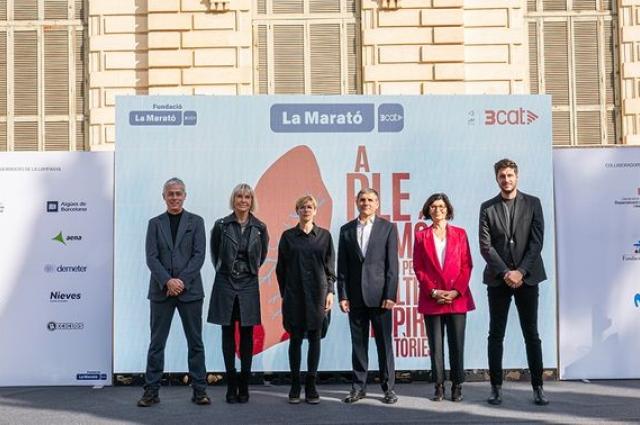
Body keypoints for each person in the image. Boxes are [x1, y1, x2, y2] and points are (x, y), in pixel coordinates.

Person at [479, 159, 549, 406]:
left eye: (510, 175)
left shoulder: (533, 203)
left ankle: (538, 387)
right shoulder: (487, 208)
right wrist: (506, 273)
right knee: (495, 334)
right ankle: (496, 388)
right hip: (498, 280)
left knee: (532, 333)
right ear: (496, 178)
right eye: (502, 176)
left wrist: (520, 271)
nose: (506, 179)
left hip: (528, 278)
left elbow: (536, 242)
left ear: (516, 177)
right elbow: (486, 246)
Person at [138, 177, 210, 407]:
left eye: (179, 193)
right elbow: (151, 257)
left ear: (185, 196)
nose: (175, 198)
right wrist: (168, 281)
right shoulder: (154, 223)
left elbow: (199, 255)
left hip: (190, 292)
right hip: (161, 292)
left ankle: (199, 391)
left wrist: (180, 281)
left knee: (195, 343)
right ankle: (151, 391)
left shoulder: (196, 221)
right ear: (164, 197)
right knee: (156, 343)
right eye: (171, 194)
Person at [207, 183, 269, 404]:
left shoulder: (260, 227)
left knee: (246, 334)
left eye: (247, 197)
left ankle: (244, 384)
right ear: (233, 199)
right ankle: (230, 384)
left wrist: (246, 272)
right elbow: (215, 255)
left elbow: (261, 257)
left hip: (248, 283)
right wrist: (227, 272)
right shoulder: (221, 225)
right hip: (225, 281)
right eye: (239, 196)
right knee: (227, 333)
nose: (243, 200)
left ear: (252, 201)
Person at [337, 188, 399, 405]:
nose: (366, 203)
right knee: (358, 345)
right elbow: (342, 267)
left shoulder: (388, 228)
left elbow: (393, 265)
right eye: (362, 199)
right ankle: (358, 387)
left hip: (380, 296)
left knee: (384, 344)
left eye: (371, 200)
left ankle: (388, 388)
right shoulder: (345, 230)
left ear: (378, 203)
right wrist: (342, 295)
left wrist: (390, 294)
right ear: (356, 202)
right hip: (354, 297)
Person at [413, 193, 474, 402]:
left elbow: (467, 265)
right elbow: (419, 268)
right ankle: (438, 386)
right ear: (428, 210)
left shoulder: (460, 234)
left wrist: (456, 291)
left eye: (441, 206)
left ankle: (457, 385)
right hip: (433, 299)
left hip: (457, 298)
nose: (437, 210)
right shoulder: (421, 236)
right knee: (436, 346)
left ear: (448, 209)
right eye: (433, 206)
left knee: (457, 344)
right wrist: (434, 292)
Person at [276, 195, 336, 404]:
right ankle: (294, 385)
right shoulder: (288, 237)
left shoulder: (325, 237)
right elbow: (280, 269)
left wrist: (330, 292)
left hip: (318, 296)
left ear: (315, 210)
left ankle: (311, 385)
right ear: (297, 210)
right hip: (294, 296)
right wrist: (287, 293)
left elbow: (330, 270)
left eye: (310, 207)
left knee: (314, 339)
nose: (306, 210)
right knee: (295, 339)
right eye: (302, 207)